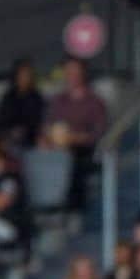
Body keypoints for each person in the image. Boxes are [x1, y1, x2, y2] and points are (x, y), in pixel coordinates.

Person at [44, 59, 108, 211]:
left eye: (75, 72)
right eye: (68, 72)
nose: (72, 76)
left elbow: (98, 134)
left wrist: (75, 138)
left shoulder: (95, 102)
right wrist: (47, 138)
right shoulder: (58, 100)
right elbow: (46, 125)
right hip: (56, 149)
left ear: (83, 74)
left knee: (74, 161)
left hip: (84, 151)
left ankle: (73, 209)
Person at [0, 58, 46, 150]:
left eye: (27, 75)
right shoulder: (7, 98)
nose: (24, 78)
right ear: (16, 76)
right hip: (8, 139)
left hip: (31, 140)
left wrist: (25, 132)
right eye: (22, 74)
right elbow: (0, 122)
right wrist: (11, 132)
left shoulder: (38, 98)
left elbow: (40, 123)